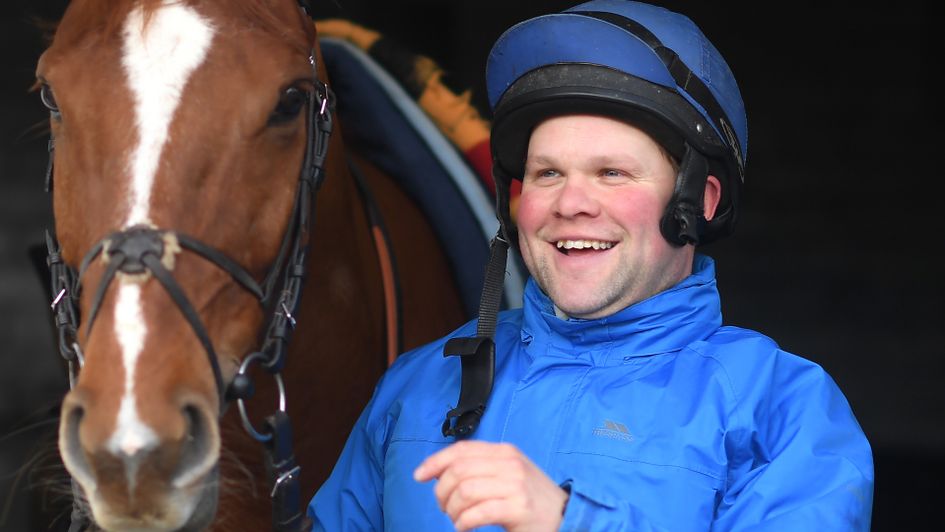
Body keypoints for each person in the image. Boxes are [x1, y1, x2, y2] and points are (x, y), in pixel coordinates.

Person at [308, 1, 874, 530]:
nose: (570, 203)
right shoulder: (416, 384)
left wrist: (565, 520)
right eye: (547, 173)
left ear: (697, 203)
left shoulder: (785, 408)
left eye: (611, 173)